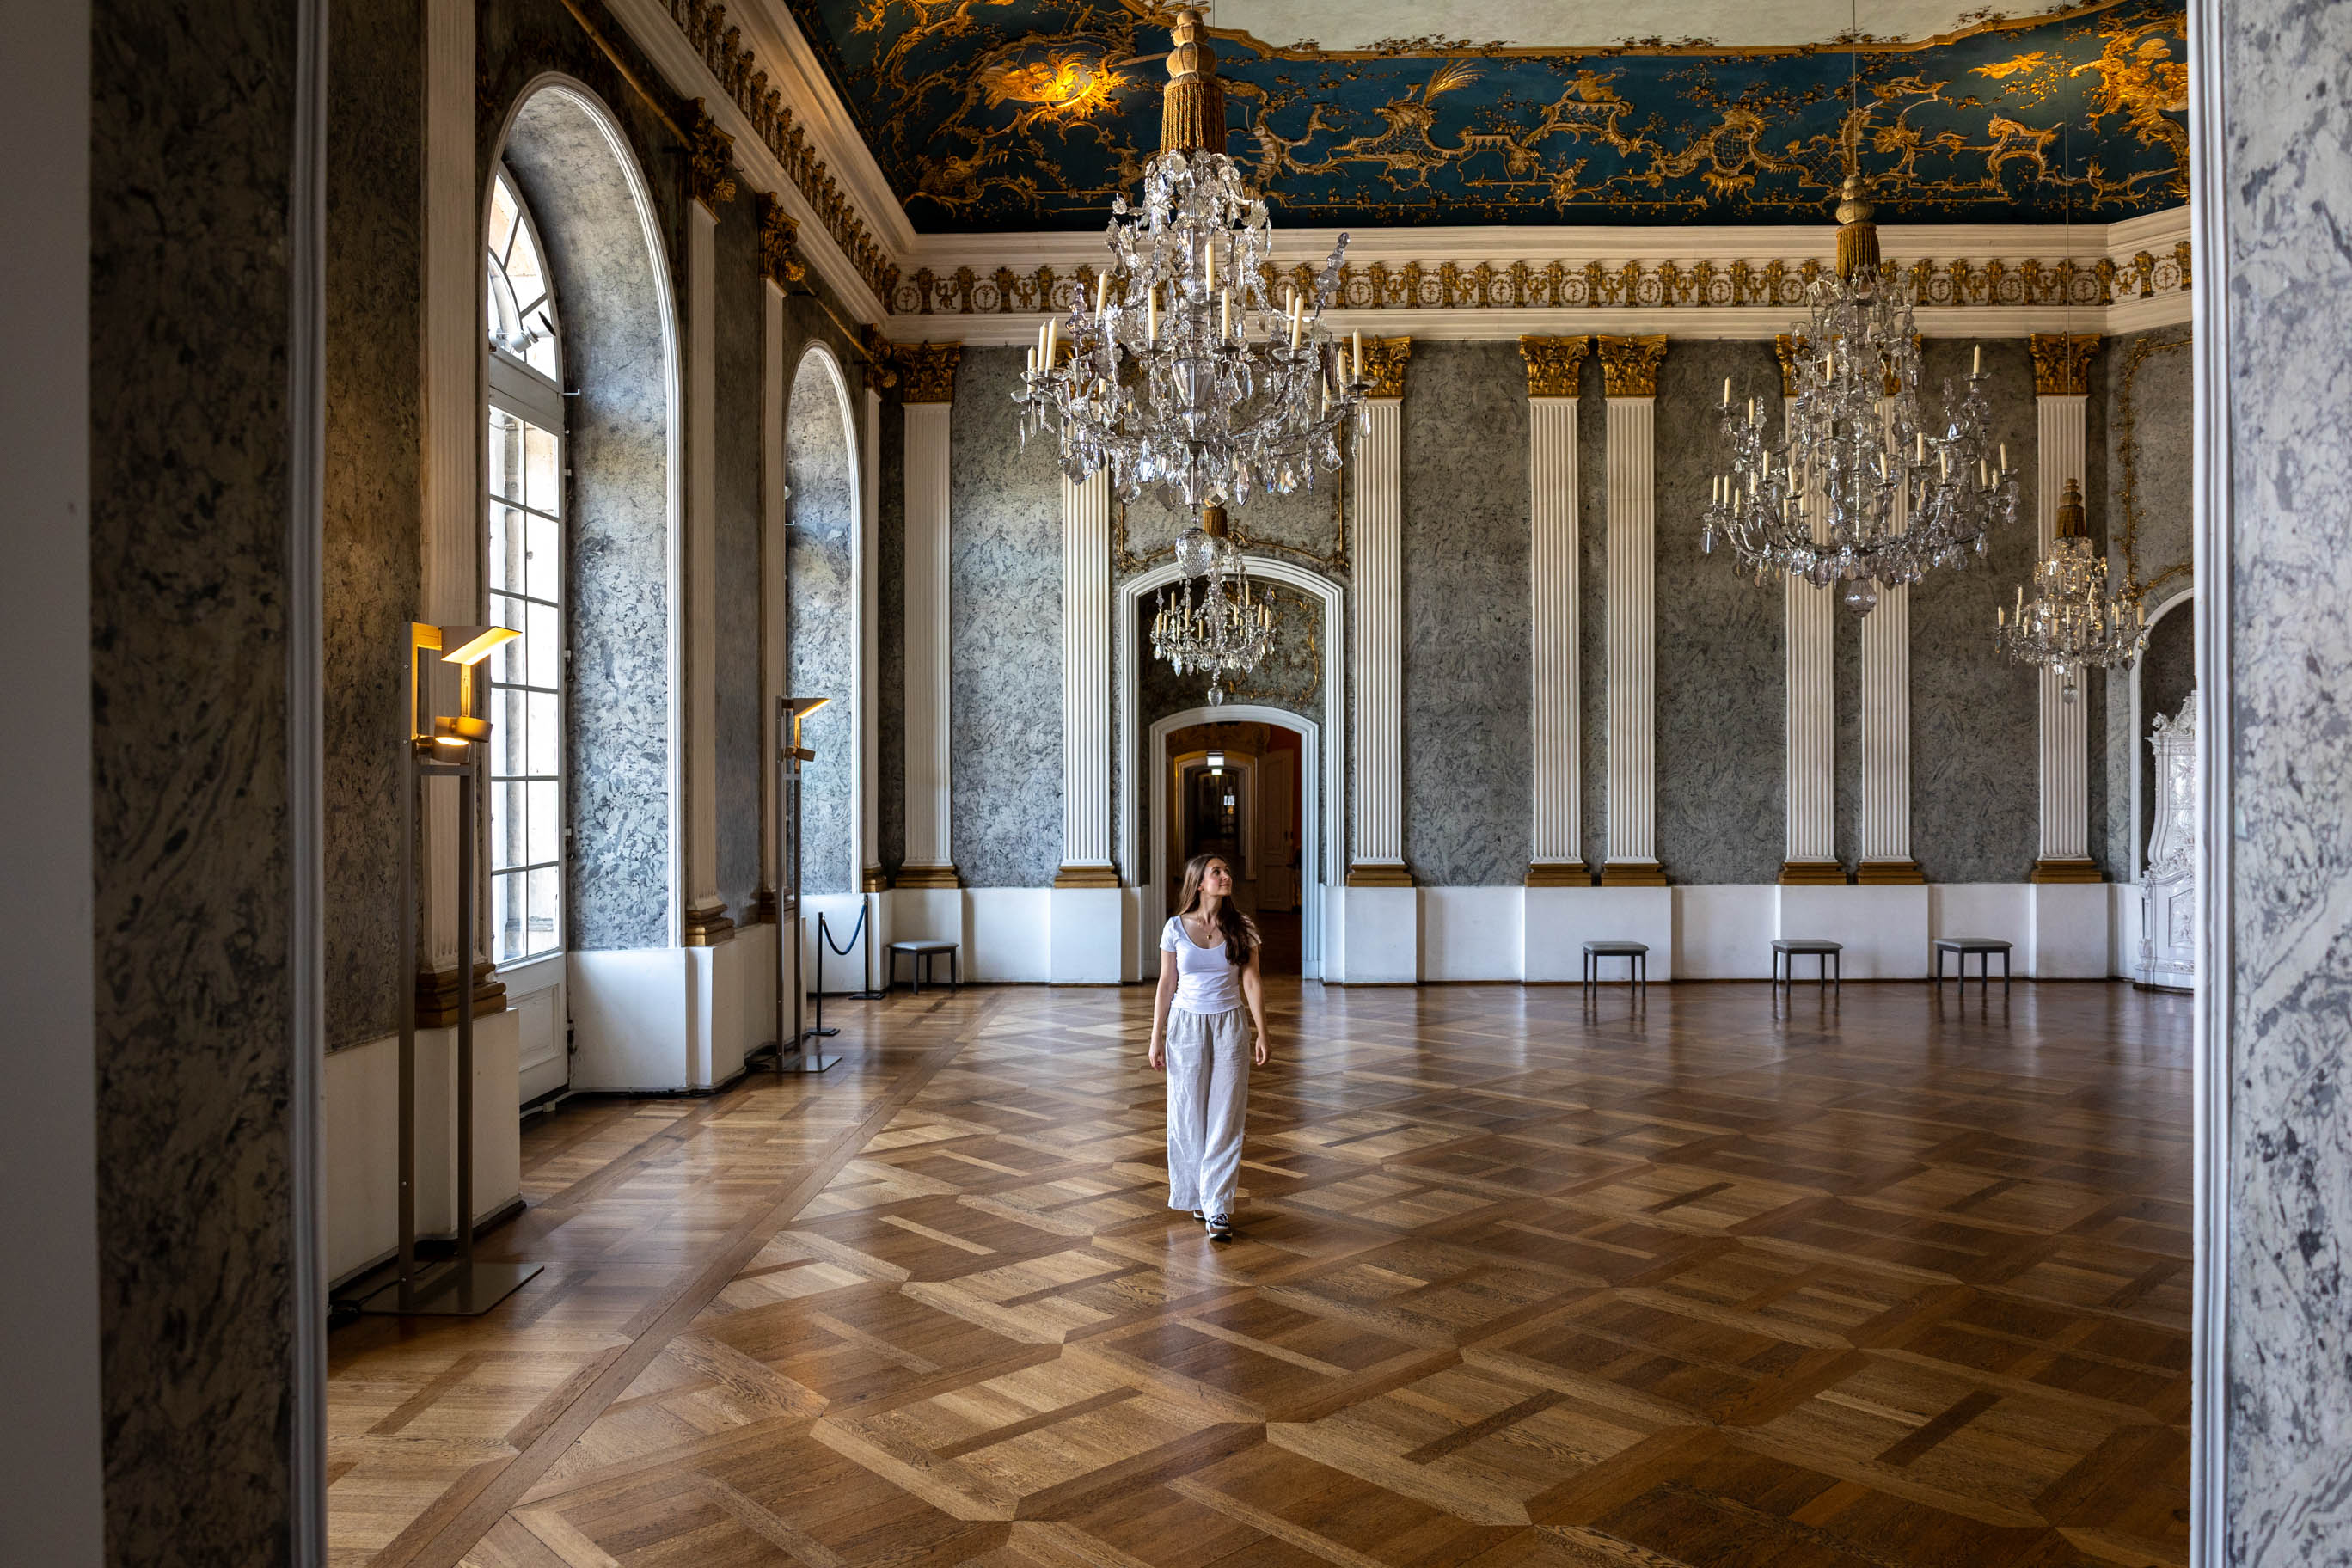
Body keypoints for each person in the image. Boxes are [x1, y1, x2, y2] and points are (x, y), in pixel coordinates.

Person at [1148, 852, 1269, 1243]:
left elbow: (1251, 982)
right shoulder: (1175, 928)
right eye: (1217, 872)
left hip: (1230, 1025)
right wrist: (1156, 1036)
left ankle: (1217, 1204)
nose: (1225, 875)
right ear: (1199, 882)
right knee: (1187, 1114)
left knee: (1226, 1115)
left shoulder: (1242, 927)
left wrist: (1262, 1031)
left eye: (1227, 870)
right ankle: (1198, 1192)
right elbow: (1166, 984)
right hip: (1185, 1026)